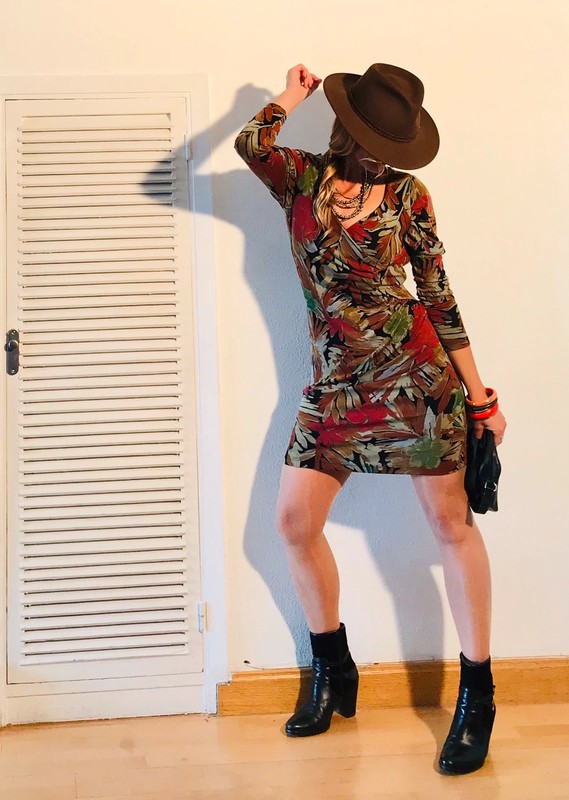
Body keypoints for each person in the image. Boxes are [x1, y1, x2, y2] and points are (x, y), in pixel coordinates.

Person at [234, 63, 507, 775]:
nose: (384, 155)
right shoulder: (300, 178)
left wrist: (480, 396)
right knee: (293, 523)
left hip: (416, 380)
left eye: (395, 145)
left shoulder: (410, 196)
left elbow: (438, 296)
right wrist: (291, 94)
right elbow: (251, 143)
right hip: (334, 388)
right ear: (349, 126)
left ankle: (477, 698)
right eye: (375, 139)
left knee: (450, 526)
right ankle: (333, 670)